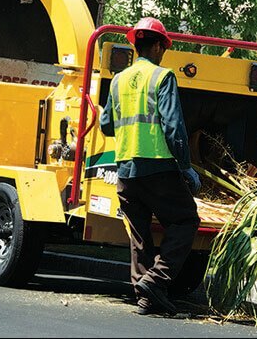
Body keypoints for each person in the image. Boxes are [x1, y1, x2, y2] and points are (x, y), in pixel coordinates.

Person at [100, 17, 201, 316]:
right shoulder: (162, 77)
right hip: (157, 168)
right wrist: (186, 168)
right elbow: (173, 128)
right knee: (185, 221)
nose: (164, 53)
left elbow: (106, 126)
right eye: (164, 47)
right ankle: (155, 281)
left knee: (140, 234)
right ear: (157, 46)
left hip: (126, 171)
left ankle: (144, 296)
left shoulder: (118, 80)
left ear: (135, 44)